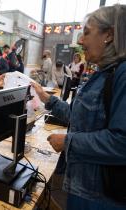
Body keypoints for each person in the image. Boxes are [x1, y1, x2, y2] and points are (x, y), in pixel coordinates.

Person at [31, 5, 126, 210]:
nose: (81, 40)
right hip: (83, 187)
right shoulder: (103, 74)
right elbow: (79, 117)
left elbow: (122, 142)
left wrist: (68, 142)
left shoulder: (122, 75)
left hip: (101, 197)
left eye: (87, 33)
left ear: (108, 35)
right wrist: (47, 98)